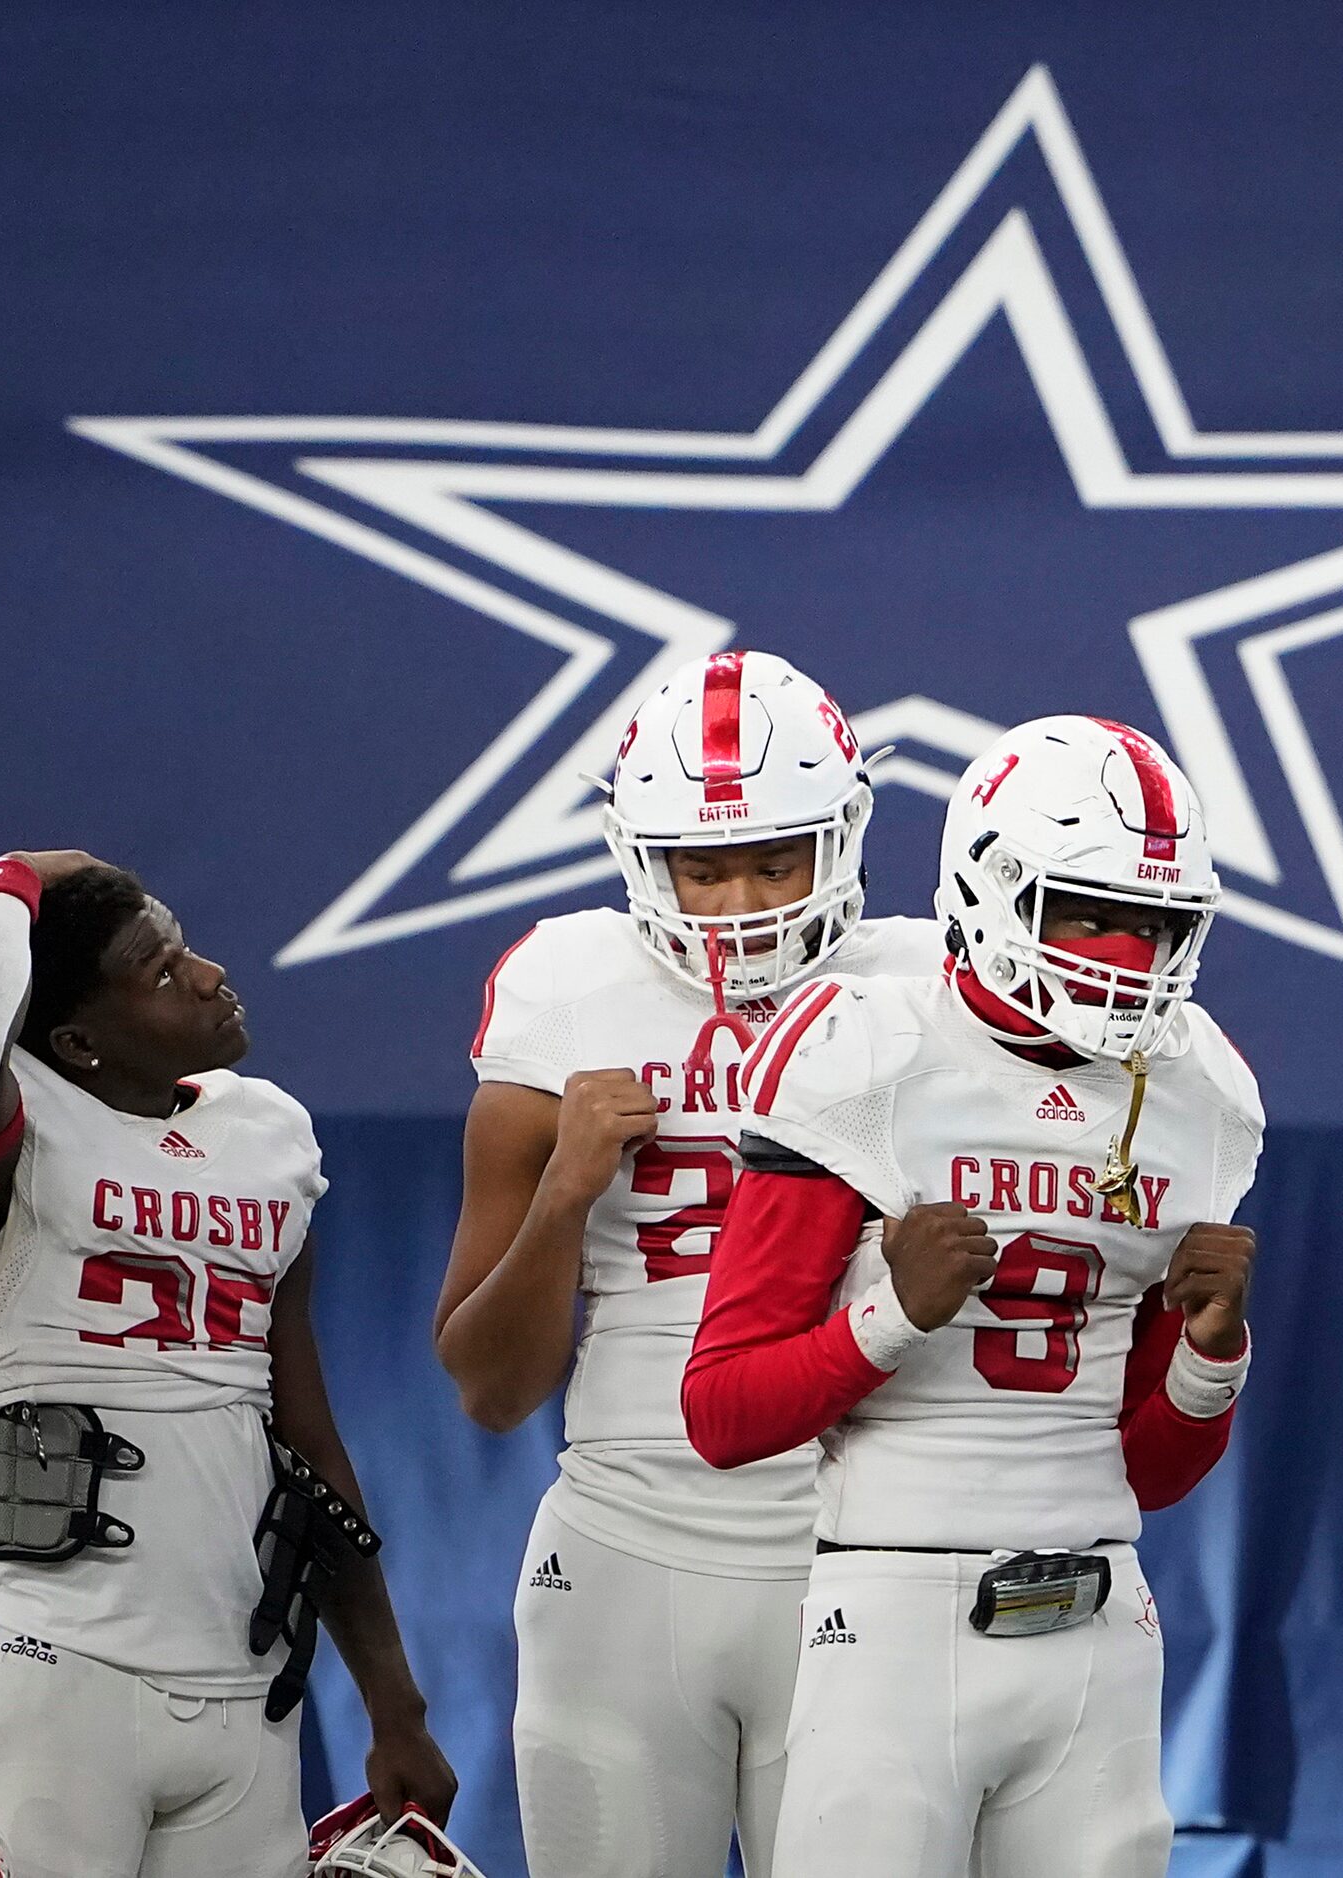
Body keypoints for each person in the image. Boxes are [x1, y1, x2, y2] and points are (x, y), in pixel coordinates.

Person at [683, 714, 1262, 1878]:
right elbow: (722, 1413)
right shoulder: (869, 1053)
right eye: (1088, 912)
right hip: (892, 1614)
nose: (1128, 958)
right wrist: (893, 1317)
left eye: (1155, 925)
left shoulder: (1202, 1092)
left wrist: (1212, 1354)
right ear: (992, 888)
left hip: (1100, 1616)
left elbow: (1144, 1469)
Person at [434, 650, 944, 1878]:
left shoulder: (924, 984)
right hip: (626, 1546)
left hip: (864, 1552)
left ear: (847, 837)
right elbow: (489, 1389)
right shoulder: (565, 985)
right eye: (703, 867)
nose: (741, 902)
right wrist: (563, 1194)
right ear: (637, 856)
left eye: (777, 858)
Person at [0, 853, 455, 1878]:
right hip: (61, 1664)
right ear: (75, 1041)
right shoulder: (7, 1119)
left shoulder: (266, 1132)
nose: (209, 973)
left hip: (246, 1691)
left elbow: (306, 1438)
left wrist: (394, 1700)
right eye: (160, 973)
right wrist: (8, 879)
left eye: (185, 949)